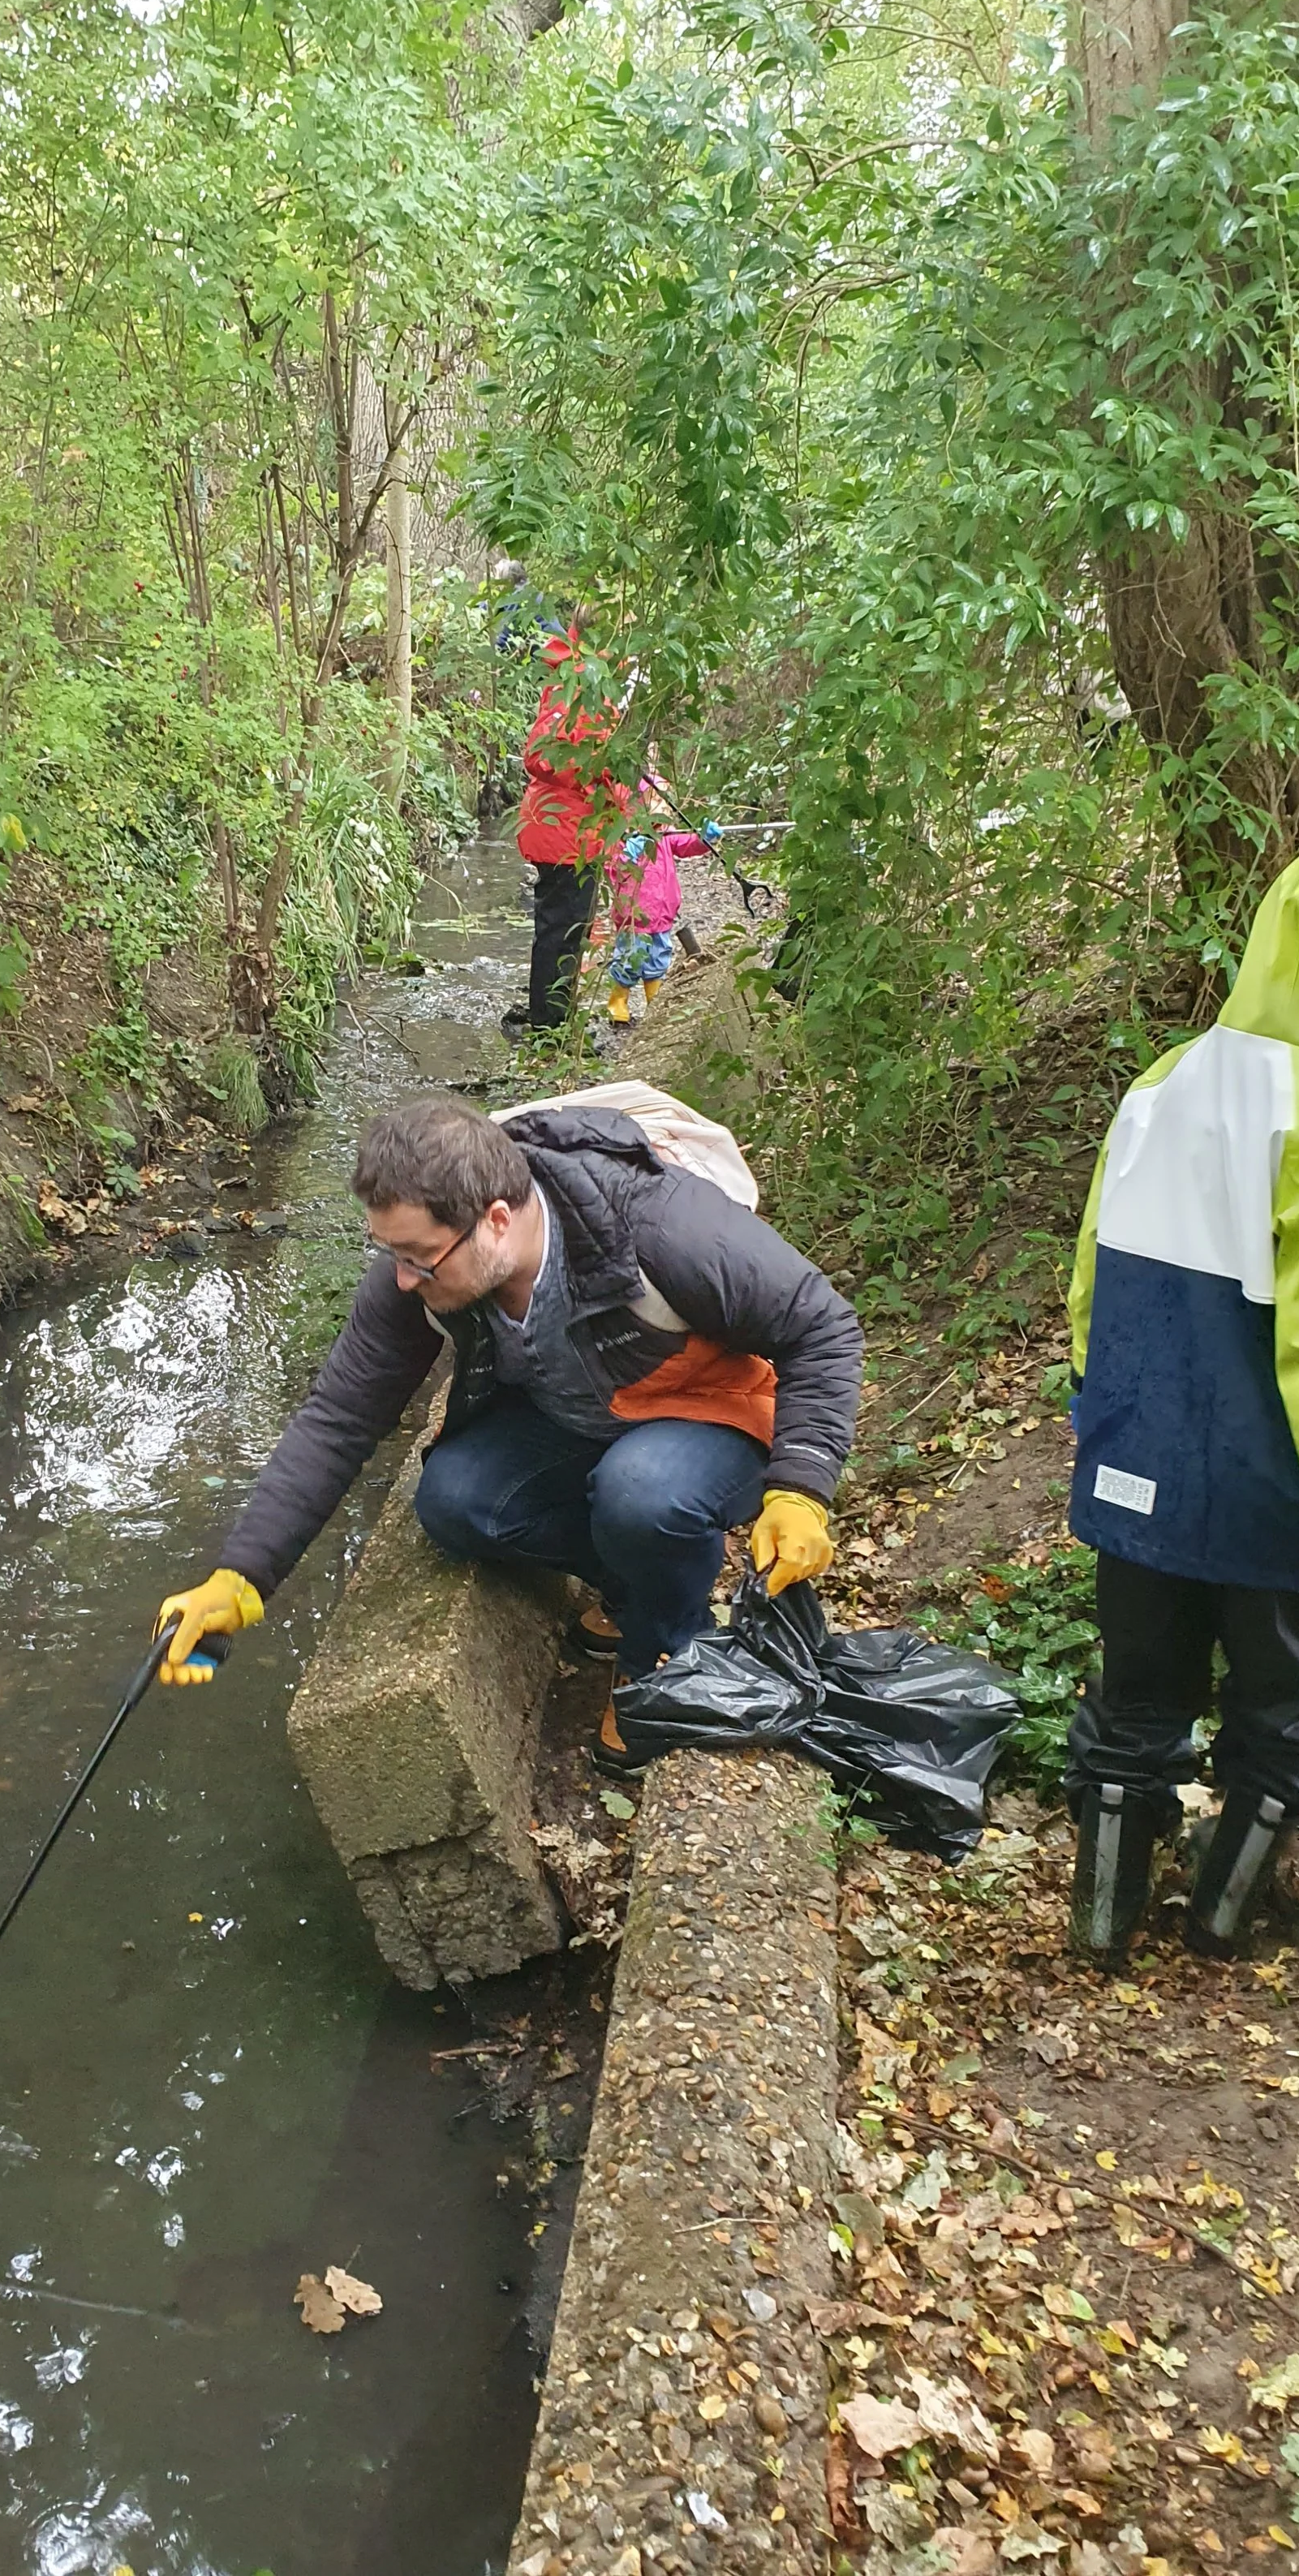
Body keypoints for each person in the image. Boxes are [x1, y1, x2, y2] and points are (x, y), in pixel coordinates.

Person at [153, 1094, 863, 1772]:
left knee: (643, 1495)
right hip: (582, 1418)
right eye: (391, 1253)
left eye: (418, 1257)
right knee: (454, 1500)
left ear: (495, 1218)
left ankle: (661, 1658)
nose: (402, 1279)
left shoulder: (661, 1228)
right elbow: (340, 1417)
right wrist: (242, 1576)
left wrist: (800, 1488)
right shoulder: (421, 1270)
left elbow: (822, 1328)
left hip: (708, 1410)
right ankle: (632, 1588)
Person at [1065, 836, 1299, 1967]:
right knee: (1292, 1715)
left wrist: (1098, 1406)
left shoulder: (1162, 1079)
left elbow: (1089, 1280)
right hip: (1265, 1484)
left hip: (1136, 1462)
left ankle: (1102, 1932)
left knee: (1138, 1694)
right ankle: (1216, 1940)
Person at [505, 613, 632, 1032]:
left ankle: (553, 1016)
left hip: (575, 827)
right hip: (563, 829)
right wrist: (599, 769)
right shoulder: (577, 680)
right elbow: (540, 755)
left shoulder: (589, 678)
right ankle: (550, 1025)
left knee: (566, 927)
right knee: (562, 927)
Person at [605, 809, 721, 1025]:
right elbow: (609, 867)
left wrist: (704, 839)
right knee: (628, 959)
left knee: (658, 958)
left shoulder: (664, 836)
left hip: (663, 914)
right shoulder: (620, 837)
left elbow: (686, 844)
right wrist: (626, 855)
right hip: (634, 917)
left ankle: (654, 1001)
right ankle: (618, 1001)